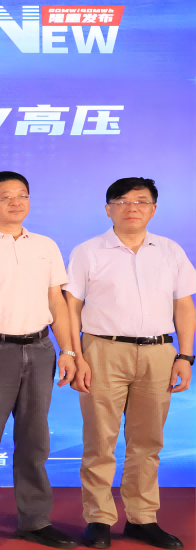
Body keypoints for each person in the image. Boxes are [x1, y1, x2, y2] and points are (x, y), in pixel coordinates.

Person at [64, 177, 193, 550]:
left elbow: (184, 304)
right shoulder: (88, 251)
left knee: (148, 442)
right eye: (121, 201)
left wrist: (185, 355)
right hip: (102, 350)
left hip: (159, 352)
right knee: (99, 440)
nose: (132, 207)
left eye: (141, 201)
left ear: (153, 209)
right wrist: (75, 354)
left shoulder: (170, 251)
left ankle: (142, 518)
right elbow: (71, 307)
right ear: (108, 209)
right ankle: (99, 519)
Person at [0, 172, 78, 549]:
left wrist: (68, 350)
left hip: (40, 350)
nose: (15, 202)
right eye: (5, 196)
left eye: (22, 195)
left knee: (35, 440)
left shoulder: (45, 245)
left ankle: (35, 520)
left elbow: (56, 300)